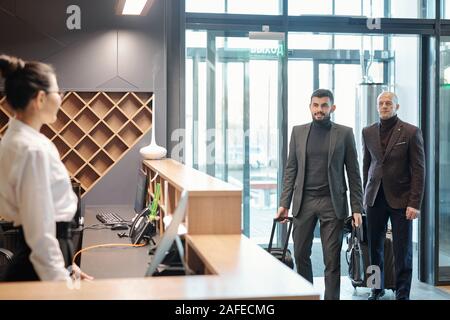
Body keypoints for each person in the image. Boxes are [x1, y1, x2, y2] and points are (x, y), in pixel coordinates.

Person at [0, 54, 92, 281]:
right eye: (57, 92)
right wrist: (62, 282)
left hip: (43, 259)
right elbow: (40, 233)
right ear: (41, 98)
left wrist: (68, 268)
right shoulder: (32, 150)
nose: (61, 97)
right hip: (38, 267)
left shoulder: (20, 140)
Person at [276, 89, 363, 300]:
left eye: (324, 105)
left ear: (332, 108)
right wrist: (284, 203)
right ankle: (307, 295)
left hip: (332, 204)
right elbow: (291, 170)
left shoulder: (344, 133)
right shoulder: (298, 132)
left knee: (332, 259)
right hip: (303, 202)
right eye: (315, 105)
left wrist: (357, 208)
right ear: (310, 107)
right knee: (300, 254)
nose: (319, 109)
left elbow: (353, 172)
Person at [362, 91, 425, 300]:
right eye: (381, 103)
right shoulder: (367, 132)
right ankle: (375, 288)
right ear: (377, 106)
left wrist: (414, 203)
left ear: (396, 107)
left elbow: (418, 170)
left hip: (402, 200)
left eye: (389, 103)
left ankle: (402, 293)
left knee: (403, 251)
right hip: (374, 199)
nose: (384, 106)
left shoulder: (410, 131)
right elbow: (366, 165)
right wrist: (364, 196)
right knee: (374, 248)